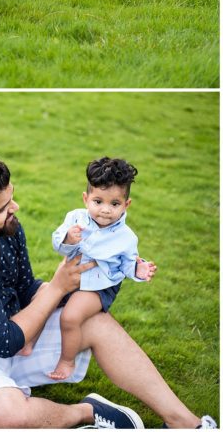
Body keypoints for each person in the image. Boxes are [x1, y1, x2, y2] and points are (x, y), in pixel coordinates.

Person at [0, 151, 216, 429]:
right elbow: (2, 341)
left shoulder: (5, 227)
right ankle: (87, 412)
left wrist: (81, 288)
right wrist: (57, 287)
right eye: (1, 208)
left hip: (16, 338)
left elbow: (23, 287)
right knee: (5, 414)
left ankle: (186, 422)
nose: (15, 208)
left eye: (10, 199)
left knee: (91, 319)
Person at [48, 157, 155, 381]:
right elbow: (59, 243)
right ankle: (27, 343)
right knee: (42, 299)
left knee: (70, 317)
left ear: (126, 205)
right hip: (72, 276)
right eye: (98, 202)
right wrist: (69, 238)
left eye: (114, 204)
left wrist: (138, 269)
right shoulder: (75, 218)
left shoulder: (126, 237)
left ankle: (67, 362)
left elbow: (127, 263)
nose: (105, 210)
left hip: (98, 287)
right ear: (86, 199)